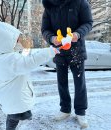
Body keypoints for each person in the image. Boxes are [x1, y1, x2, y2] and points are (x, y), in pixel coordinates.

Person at [0, 22, 57, 130]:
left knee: (12, 115)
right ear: (7, 42)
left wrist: (26, 49)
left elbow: (22, 61)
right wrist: (51, 51)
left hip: (9, 98)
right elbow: (30, 62)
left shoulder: (4, 58)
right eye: (16, 40)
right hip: (15, 99)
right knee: (15, 115)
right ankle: (22, 116)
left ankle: (22, 116)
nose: (19, 42)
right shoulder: (10, 59)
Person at [41, 0, 93, 128]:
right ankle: (65, 109)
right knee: (61, 82)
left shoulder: (80, 2)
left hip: (77, 49)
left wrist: (78, 33)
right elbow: (45, 29)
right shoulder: (49, 4)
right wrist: (52, 38)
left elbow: (88, 22)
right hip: (59, 50)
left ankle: (80, 112)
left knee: (79, 82)